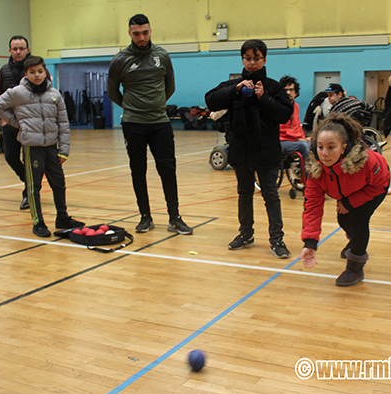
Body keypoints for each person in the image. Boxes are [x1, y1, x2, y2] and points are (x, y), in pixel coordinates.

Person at [205, 39, 293, 258]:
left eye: (256, 58)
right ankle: (245, 234)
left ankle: (277, 239)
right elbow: (211, 100)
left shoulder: (273, 86)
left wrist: (264, 98)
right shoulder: (233, 84)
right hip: (241, 150)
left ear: (264, 59)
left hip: (267, 151)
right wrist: (235, 89)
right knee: (244, 194)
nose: (252, 63)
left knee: (271, 195)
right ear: (242, 59)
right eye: (247, 59)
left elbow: (285, 114)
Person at [107, 13, 192, 235]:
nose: (141, 37)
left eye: (145, 32)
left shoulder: (162, 55)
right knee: (138, 169)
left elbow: (169, 85)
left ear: (150, 30)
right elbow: (112, 91)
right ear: (129, 33)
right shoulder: (120, 60)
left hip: (160, 123)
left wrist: (155, 104)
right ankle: (145, 216)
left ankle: (175, 217)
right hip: (133, 123)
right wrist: (132, 106)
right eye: (136, 33)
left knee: (168, 169)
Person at [0, 56, 85, 238]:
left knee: (59, 183)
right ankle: (38, 222)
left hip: (52, 146)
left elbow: (63, 124)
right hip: (31, 147)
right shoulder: (17, 92)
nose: (36, 75)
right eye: (32, 72)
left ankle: (62, 217)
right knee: (34, 186)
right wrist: (19, 123)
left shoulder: (55, 95)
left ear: (45, 72)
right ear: (26, 74)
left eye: (40, 71)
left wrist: (64, 150)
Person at [300, 113, 390, 286]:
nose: (324, 154)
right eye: (320, 147)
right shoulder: (317, 171)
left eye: (331, 147)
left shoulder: (367, 161)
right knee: (343, 219)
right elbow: (312, 206)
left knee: (358, 221)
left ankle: (355, 268)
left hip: (374, 187)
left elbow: (380, 184)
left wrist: (351, 201)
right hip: (348, 192)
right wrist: (310, 242)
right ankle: (355, 241)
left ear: (344, 147)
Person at [0, 35, 35, 210]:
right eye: (15, 48)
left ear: (27, 50)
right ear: (10, 50)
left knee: (31, 159)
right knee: (10, 157)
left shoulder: (37, 68)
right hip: (10, 124)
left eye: (21, 48)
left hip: (31, 126)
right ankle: (30, 181)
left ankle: (29, 194)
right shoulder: (4, 71)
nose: (18, 51)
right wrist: (2, 118)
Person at [278, 76, 309, 168]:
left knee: (315, 145)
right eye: (285, 90)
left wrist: (303, 137)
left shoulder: (296, 106)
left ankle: (304, 172)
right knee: (304, 146)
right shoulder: (277, 106)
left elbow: (297, 126)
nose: (288, 92)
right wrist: (298, 137)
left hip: (293, 140)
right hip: (280, 141)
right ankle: (308, 180)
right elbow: (281, 130)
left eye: (291, 89)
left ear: (296, 92)